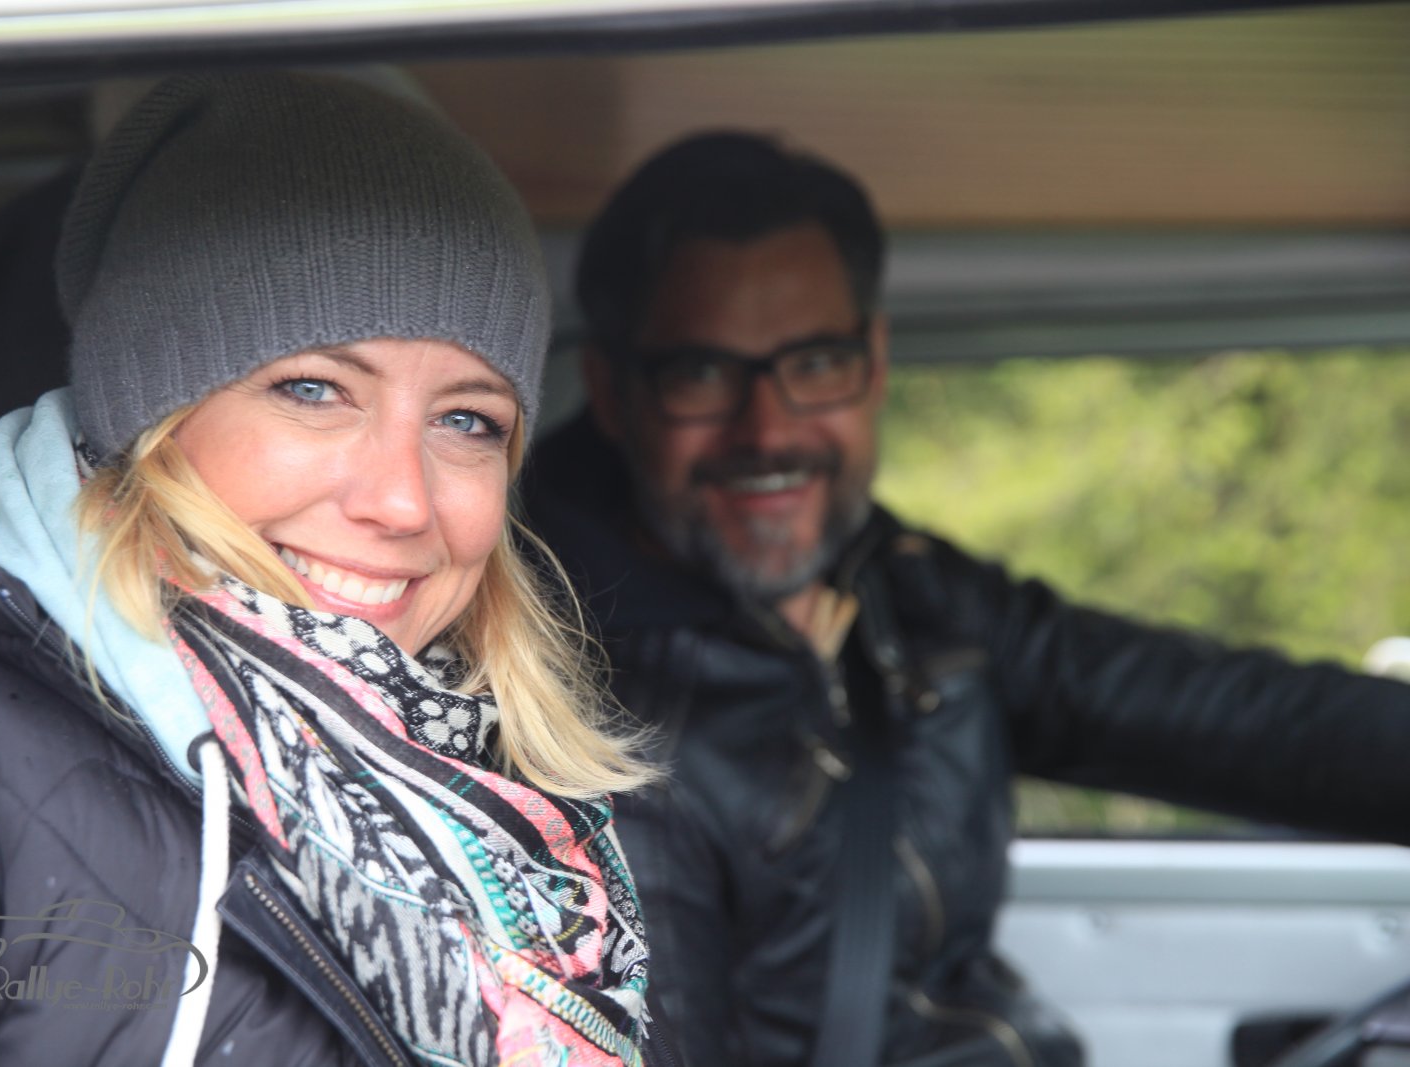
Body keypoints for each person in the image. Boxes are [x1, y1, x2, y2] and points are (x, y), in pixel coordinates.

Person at [0, 71, 679, 1067]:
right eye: (313, 389)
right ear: (148, 419)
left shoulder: (533, 823)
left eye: (466, 419)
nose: (403, 500)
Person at [520, 131, 1410, 1067]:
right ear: (613, 393)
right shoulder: (572, 726)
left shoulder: (890, 584)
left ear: (874, 360)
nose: (769, 430)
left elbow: (1212, 711)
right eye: (703, 374)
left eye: (815, 362)